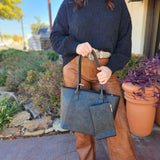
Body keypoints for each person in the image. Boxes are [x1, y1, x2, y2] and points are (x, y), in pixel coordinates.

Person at [50, 0, 136, 159]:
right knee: (81, 125)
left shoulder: (118, 4)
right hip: (76, 68)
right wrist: (75, 46)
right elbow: (55, 37)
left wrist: (111, 67)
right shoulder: (70, 3)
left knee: (118, 122)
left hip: (105, 69)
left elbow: (124, 43)